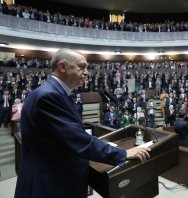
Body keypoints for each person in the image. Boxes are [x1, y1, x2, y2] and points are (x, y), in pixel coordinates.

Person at [15, 49, 150, 198]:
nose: (87, 72)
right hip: (49, 184)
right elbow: (76, 139)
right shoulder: (49, 96)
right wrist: (123, 153)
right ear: (62, 67)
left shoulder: (54, 92)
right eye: (81, 66)